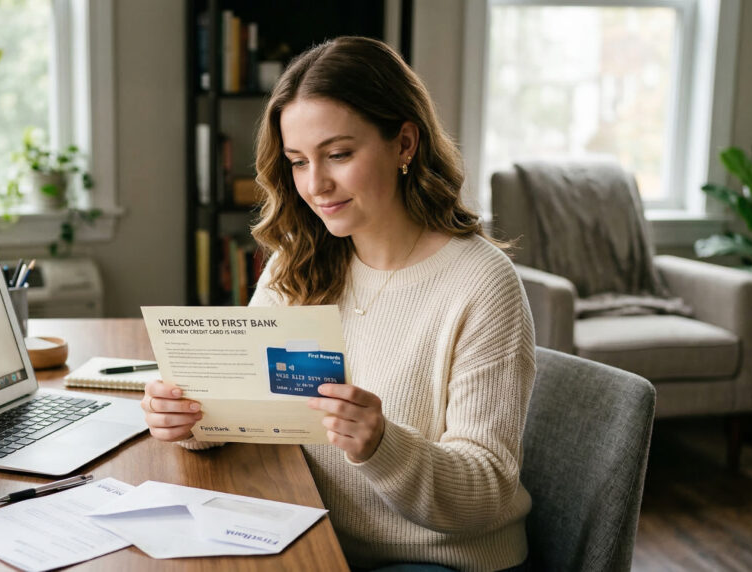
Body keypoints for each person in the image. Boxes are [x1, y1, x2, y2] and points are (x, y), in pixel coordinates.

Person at [142, 36, 534, 572]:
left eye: (339, 154)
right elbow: (250, 407)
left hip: (439, 559)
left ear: (404, 144)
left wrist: (382, 445)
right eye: (299, 162)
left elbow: (487, 488)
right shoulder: (297, 260)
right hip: (312, 535)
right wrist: (193, 420)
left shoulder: (482, 284)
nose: (315, 184)